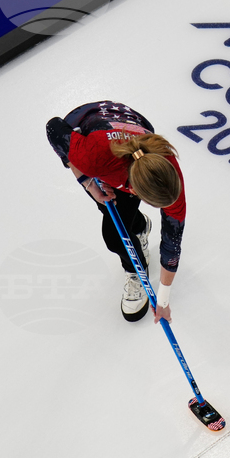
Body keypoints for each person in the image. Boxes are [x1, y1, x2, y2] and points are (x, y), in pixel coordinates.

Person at [45, 101, 186, 322]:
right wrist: (88, 182)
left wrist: (163, 300)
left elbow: (171, 245)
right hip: (84, 125)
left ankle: (138, 226)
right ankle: (135, 265)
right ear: (133, 189)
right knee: (113, 237)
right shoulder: (96, 159)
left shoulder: (165, 166)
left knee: (118, 221)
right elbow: (54, 128)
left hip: (132, 123)